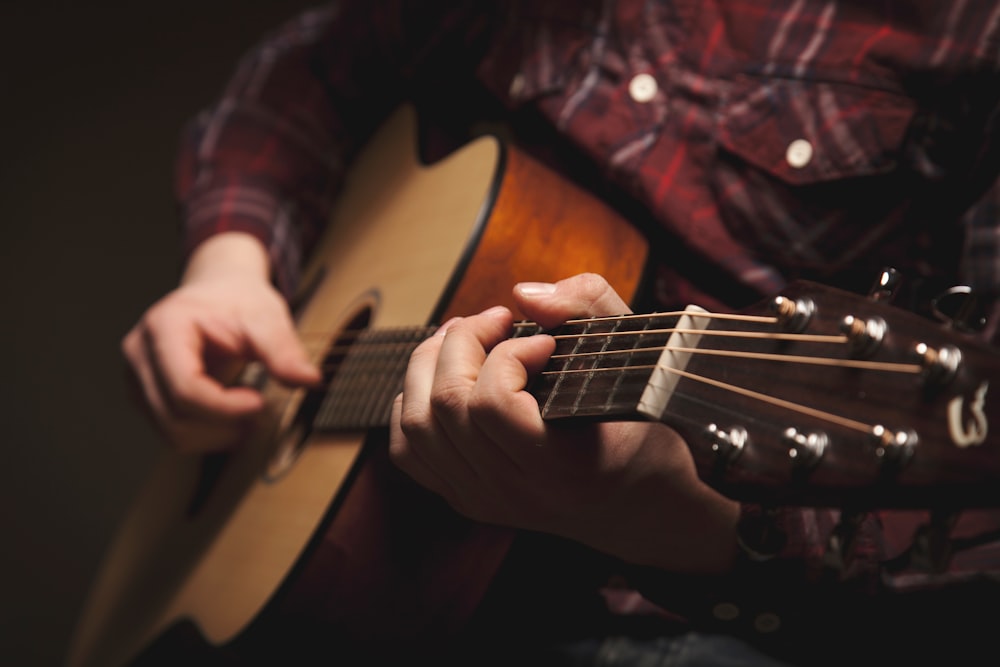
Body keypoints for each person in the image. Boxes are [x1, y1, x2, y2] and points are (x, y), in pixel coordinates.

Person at [122, 1, 1000, 665]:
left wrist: (680, 517)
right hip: (372, 571)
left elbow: (971, 548)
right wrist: (229, 264)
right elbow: (310, 67)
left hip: (688, 609)